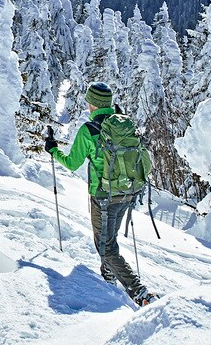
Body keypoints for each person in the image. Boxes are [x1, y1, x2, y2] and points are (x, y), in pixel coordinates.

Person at [46, 81, 155, 304]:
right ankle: (108, 280)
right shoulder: (124, 125)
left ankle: (140, 293)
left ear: (92, 104)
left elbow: (72, 163)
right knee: (109, 240)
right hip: (127, 192)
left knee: (105, 248)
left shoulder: (89, 130)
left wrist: (53, 149)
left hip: (103, 196)